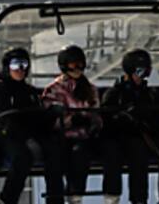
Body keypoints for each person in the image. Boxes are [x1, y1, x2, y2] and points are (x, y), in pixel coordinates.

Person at [0, 46, 68, 204]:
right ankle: (8, 200)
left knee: (53, 151)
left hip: (31, 132)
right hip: (7, 133)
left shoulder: (30, 92)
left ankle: (55, 198)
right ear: (7, 67)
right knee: (22, 157)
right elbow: (6, 117)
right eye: (16, 65)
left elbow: (40, 120)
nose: (20, 69)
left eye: (24, 65)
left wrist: (51, 114)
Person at [101, 48, 159, 204]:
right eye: (140, 72)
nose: (143, 77)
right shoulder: (116, 94)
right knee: (137, 151)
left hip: (146, 135)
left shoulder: (149, 94)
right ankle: (137, 199)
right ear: (129, 71)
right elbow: (106, 119)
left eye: (147, 73)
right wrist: (124, 118)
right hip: (124, 137)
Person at [42, 45, 103, 204]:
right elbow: (49, 119)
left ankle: (76, 195)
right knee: (54, 157)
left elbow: (97, 115)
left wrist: (91, 122)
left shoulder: (90, 89)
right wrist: (70, 121)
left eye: (81, 64)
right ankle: (55, 199)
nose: (78, 69)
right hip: (61, 137)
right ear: (64, 66)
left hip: (83, 137)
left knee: (80, 152)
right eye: (73, 65)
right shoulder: (53, 90)